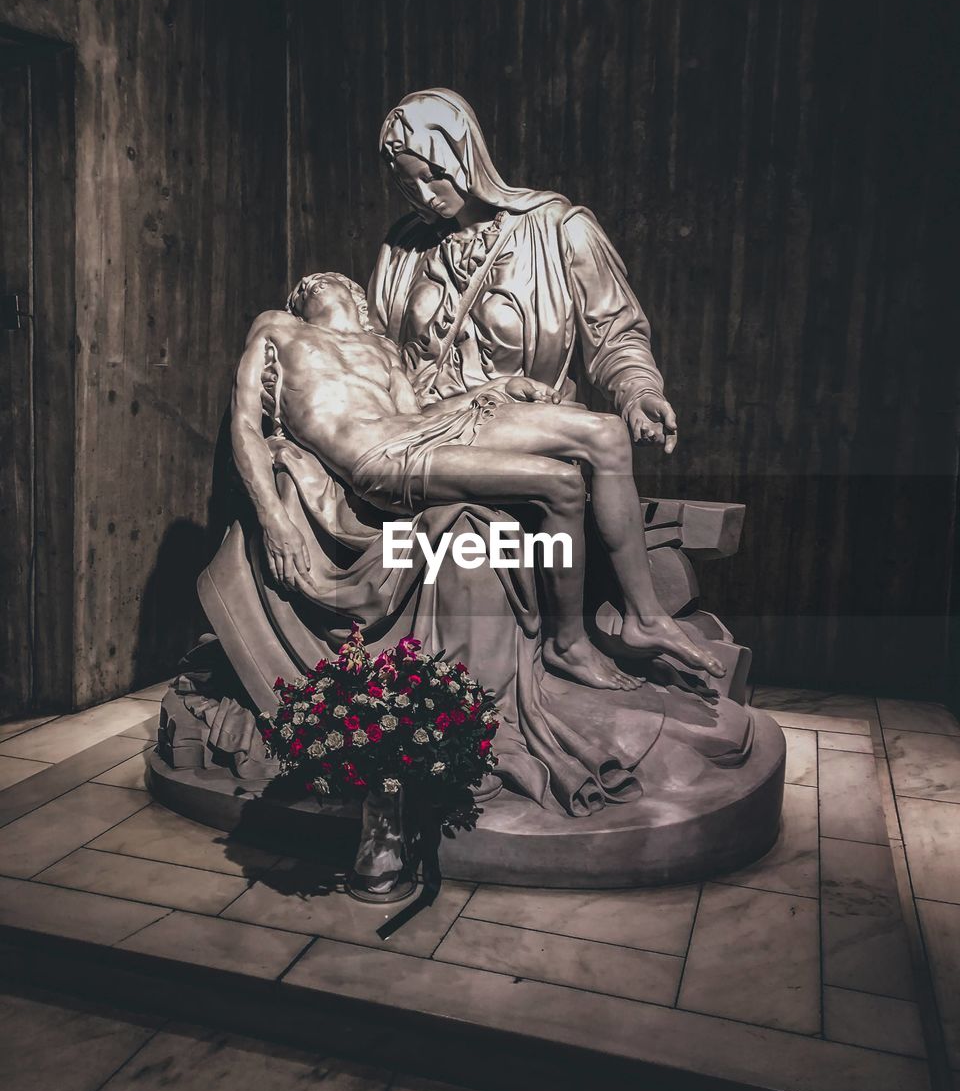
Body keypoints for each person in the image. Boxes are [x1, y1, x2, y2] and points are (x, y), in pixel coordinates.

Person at [231, 271, 725, 691]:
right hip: (380, 458)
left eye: (334, 281)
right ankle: (567, 644)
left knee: (606, 432)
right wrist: (274, 518)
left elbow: (418, 414)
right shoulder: (279, 327)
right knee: (562, 485)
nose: (322, 283)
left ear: (358, 299)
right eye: (313, 284)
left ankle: (645, 615)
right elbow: (245, 425)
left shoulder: (379, 347)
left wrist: (493, 390)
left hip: (421, 431)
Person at [369, 88, 678, 453]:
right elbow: (371, 349)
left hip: (518, 439)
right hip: (417, 435)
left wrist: (638, 392)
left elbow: (614, 335)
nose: (424, 195)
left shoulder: (559, 230)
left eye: (433, 174)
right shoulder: (404, 247)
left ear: (464, 154)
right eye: (408, 185)